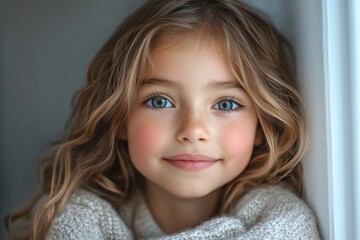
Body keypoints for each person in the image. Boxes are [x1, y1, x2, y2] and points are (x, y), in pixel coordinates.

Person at [5, 0, 321, 239]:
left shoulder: (282, 223)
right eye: (160, 101)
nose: (193, 130)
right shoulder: (75, 220)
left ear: (262, 125)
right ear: (119, 117)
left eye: (225, 103)